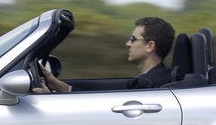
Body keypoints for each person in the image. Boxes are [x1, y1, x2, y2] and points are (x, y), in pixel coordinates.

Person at [34, 16, 175, 93]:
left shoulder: (146, 84)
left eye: (133, 39)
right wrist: (57, 85)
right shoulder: (156, 79)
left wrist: (49, 96)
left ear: (150, 46)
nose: (128, 44)